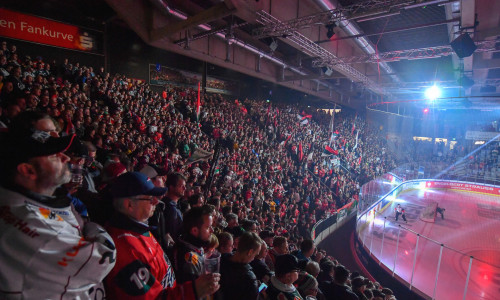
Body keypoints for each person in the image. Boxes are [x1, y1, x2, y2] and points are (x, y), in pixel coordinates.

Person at [0, 131, 116, 299]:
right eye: (54, 156)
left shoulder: (31, 202)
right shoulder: (36, 226)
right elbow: (105, 256)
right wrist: (91, 227)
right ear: (28, 170)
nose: (66, 158)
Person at [104, 172, 220, 300]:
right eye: (149, 197)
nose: (156, 201)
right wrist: (194, 290)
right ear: (129, 205)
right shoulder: (126, 250)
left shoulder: (139, 229)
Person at [174, 205, 214, 284]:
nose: (212, 230)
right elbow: (194, 292)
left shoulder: (192, 244)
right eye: (208, 227)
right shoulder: (189, 257)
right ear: (194, 230)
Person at [219, 231, 263, 300]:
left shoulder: (219, 259)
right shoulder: (249, 279)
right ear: (250, 252)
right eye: (255, 254)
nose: (254, 258)